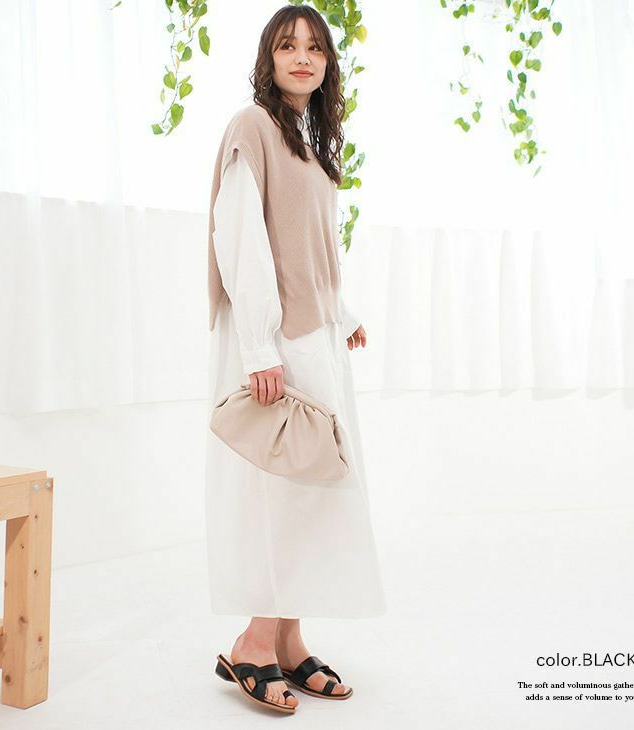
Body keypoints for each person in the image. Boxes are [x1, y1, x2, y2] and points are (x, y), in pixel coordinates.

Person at [205, 5, 386, 714]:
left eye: (314, 47)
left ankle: (287, 638)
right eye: (288, 46)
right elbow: (240, 238)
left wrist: (345, 313)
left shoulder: (307, 139)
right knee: (287, 492)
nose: (302, 57)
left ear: (328, 63)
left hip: (315, 335)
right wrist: (258, 346)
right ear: (269, 58)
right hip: (279, 340)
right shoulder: (251, 127)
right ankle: (252, 642)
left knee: (314, 486)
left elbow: (310, 246)